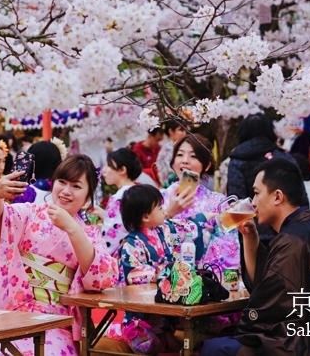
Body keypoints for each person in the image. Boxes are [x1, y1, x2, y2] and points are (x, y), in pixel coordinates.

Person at [199, 159, 310, 356]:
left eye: (256, 193)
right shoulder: (305, 230)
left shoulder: (294, 240)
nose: (253, 202)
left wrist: (244, 327)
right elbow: (267, 286)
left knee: (214, 348)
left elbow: (267, 307)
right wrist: (250, 237)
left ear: (277, 197)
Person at [0, 154, 118, 356]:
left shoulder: (89, 233)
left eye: (76, 186)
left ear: (89, 194)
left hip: (55, 320)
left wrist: (73, 229)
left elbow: (101, 277)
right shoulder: (30, 213)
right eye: (62, 182)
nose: (66, 191)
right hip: (12, 311)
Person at [114, 184, 179, 355]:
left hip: (165, 312)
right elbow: (134, 275)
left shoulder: (163, 231)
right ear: (145, 217)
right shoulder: (130, 244)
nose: (163, 210)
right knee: (148, 346)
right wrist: (160, 273)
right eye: (159, 207)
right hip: (142, 319)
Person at [161, 134, 239, 274]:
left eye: (193, 156)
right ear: (173, 162)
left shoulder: (218, 202)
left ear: (207, 165)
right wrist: (169, 213)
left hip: (204, 279)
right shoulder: (159, 198)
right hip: (164, 278)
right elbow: (147, 239)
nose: (185, 161)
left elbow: (228, 247)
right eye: (180, 155)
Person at [225, 112, 295, 200]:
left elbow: (236, 196)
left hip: (248, 211)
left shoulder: (237, 158)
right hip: (282, 210)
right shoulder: (283, 156)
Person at [99, 147, 145, 253]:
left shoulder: (119, 198)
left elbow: (112, 236)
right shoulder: (139, 192)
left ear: (122, 170)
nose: (104, 170)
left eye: (109, 166)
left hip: (121, 256)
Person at [153, 109, 191, 187]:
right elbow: (169, 172)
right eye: (181, 130)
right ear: (171, 131)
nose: (184, 133)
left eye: (185, 130)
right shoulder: (167, 149)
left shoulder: (184, 146)